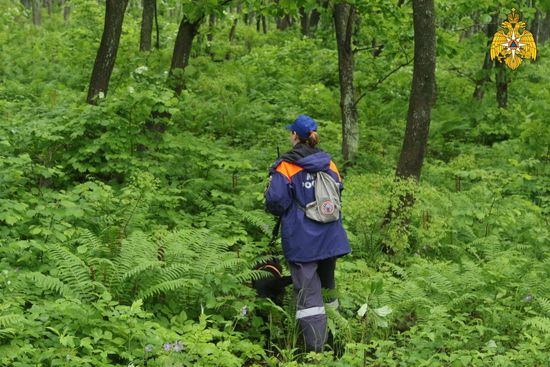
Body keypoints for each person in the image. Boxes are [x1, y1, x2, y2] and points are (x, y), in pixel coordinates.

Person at [264, 114, 351, 352]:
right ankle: (338, 340)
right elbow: (337, 194)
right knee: (328, 288)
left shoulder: (285, 165)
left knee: (310, 298)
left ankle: (316, 353)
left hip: (303, 240)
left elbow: (276, 202)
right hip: (329, 236)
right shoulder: (329, 163)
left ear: (295, 136)